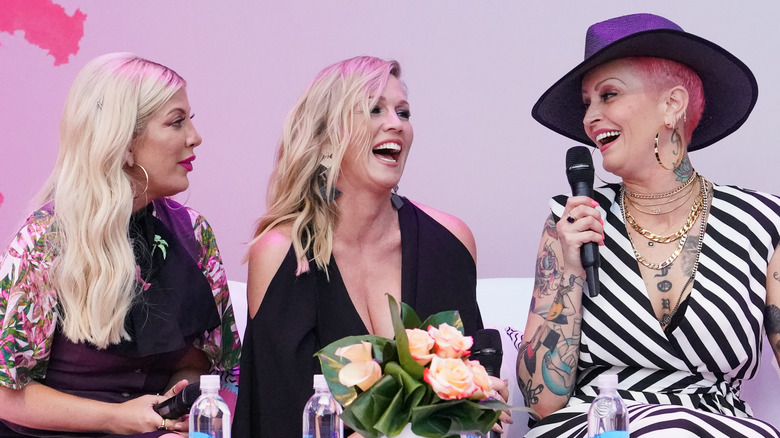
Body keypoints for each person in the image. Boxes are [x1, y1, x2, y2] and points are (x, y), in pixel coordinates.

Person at [516, 13, 780, 437]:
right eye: (588, 103)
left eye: (608, 95)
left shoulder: (764, 222)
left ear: (672, 104)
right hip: (593, 424)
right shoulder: (569, 222)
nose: (590, 119)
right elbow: (540, 402)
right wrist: (567, 269)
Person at [232, 56, 505, 437]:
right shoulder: (280, 254)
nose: (395, 123)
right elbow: (276, 413)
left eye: (403, 112)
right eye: (373, 110)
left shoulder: (450, 240)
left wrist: (480, 401)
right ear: (326, 137)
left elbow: (472, 398)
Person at [0, 53, 241, 437]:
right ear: (125, 143)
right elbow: (5, 392)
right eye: (177, 122)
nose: (195, 137)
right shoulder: (47, 239)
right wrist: (114, 417)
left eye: (190, 121)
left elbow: (210, 364)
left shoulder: (193, 233)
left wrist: (173, 413)